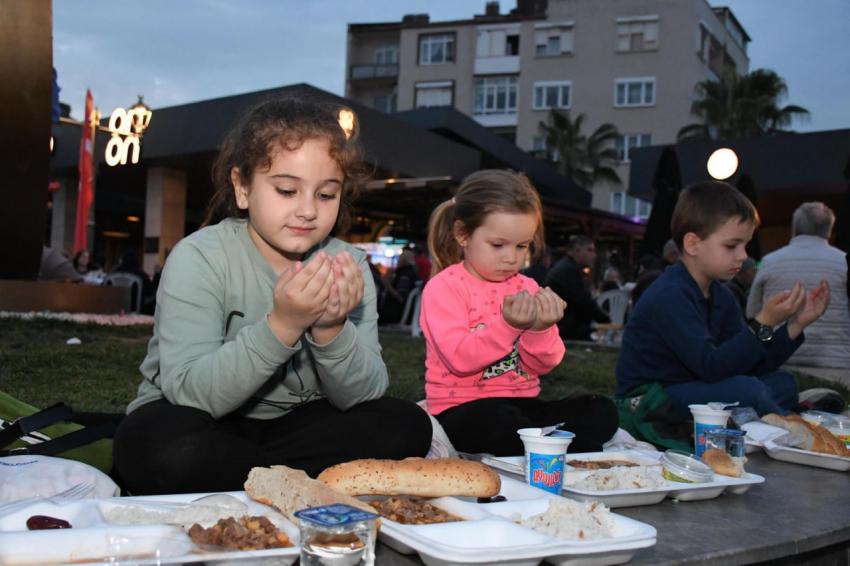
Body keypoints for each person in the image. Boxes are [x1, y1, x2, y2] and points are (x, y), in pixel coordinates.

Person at [112, 97, 432, 494]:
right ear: (242, 188)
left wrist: (331, 328)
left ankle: (255, 480)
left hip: (298, 427)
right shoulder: (199, 257)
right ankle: (293, 479)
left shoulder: (347, 263)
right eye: (286, 190)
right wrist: (284, 325)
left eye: (326, 194)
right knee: (156, 445)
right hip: (205, 420)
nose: (307, 210)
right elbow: (191, 392)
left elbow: (364, 394)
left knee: (406, 424)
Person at [420, 170, 619, 456]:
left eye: (521, 246)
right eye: (498, 245)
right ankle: (557, 446)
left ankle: (544, 443)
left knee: (600, 409)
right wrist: (508, 325)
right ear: (463, 234)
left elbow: (542, 365)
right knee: (495, 422)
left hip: (522, 404)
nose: (511, 257)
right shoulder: (444, 288)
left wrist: (541, 328)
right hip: (463, 409)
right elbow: (460, 360)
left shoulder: (526, 286)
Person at [616, 181, 830, 418]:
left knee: (783, 382)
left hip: (698, 387)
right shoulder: (670, 295)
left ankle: (768, 412)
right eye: (732, 245)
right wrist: (763, 322)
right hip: (650, 398)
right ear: (693, 244)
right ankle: (787, 420)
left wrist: (794, 325)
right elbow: (712, 366)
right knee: (749, 391)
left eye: (745, 245)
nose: (743, 256)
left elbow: (751, 362)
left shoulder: (721, 295)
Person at [747, 202, 849, 369]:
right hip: (837, 363)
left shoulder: (769, 262)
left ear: (794, 228)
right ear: (829, 230)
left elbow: (752, 313)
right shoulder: (843, 262)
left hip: (781, 360)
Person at [545, 235, 611, 341]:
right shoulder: (569, 270)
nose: (594, 255)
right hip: (565, 330)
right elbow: (583, 302)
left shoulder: (567, 266)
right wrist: (605, 319)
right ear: (577, 251)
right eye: (590, 250)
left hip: (561, 325)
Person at [379, 249, 420, 324]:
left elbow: (400, 297)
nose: (397, 261)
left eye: (399, 258)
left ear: (404, 261)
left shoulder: (404, 275)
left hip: (396, 313)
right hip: (406, 313)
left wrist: (387, 284)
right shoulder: (412, 272)